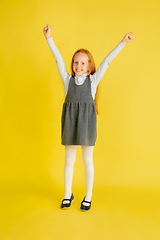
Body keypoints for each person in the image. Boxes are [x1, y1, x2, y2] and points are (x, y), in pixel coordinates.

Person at [43, 24, 133, 211]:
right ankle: (68, 194)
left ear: (90, 66)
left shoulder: (93, 81)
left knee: (87, 161)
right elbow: (58, 59)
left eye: (83, 63)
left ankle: (89, 195)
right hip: (70, 123)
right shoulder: (68, 80)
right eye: (76, 62)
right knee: (69, 160)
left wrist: (122, 43)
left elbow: (107, 62)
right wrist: (49, 38)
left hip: (86, 124)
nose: (79, 66)